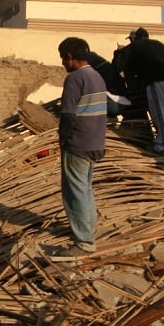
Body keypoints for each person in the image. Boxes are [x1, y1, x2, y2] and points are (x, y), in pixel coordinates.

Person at [55, 37, 108, 257]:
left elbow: (67, 114)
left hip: (78, 142)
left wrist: (63, 139)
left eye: (62, 59)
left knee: (74, 191)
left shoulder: (75, 79)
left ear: (69, 57)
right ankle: (88, 229)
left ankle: (84, 241)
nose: (62, 64)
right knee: (85, 189)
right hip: (95, 142)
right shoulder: (97, 76)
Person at [113, 27, 164, 157]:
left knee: (161, 112)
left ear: (133, 39)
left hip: (157, 80)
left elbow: (118, 66)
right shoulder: (158, 44)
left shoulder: (135, 46)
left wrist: (119, 52)